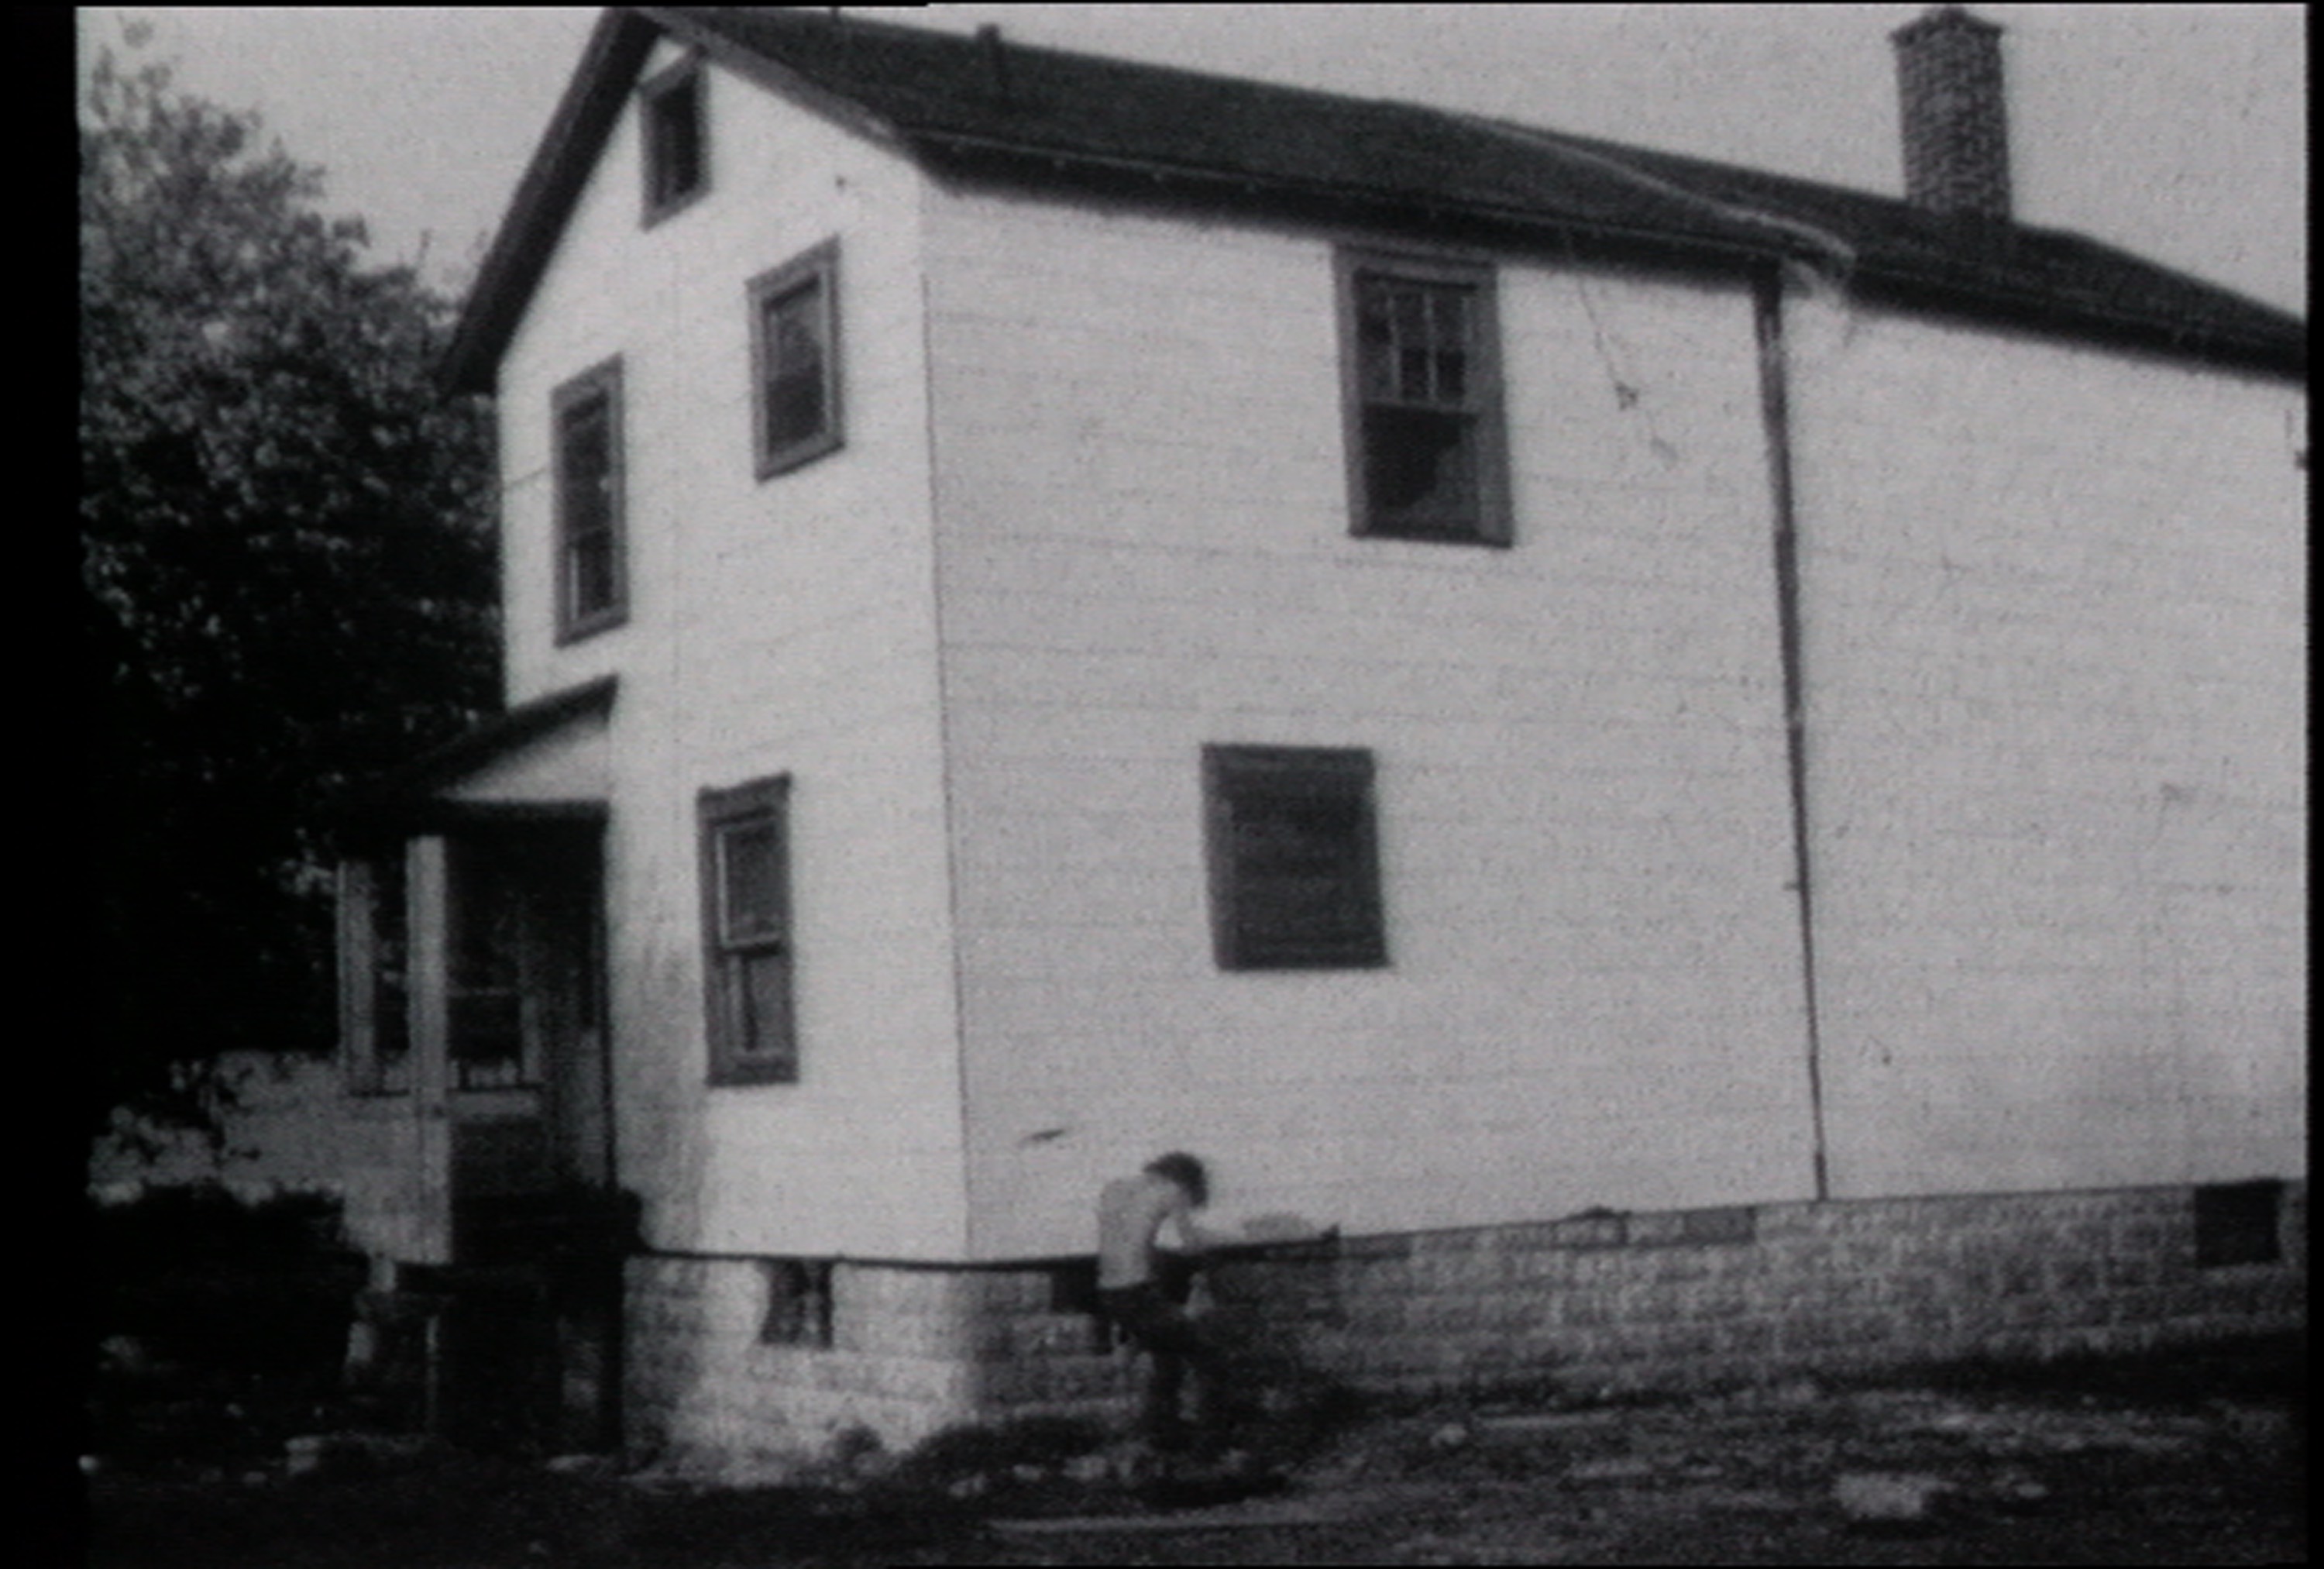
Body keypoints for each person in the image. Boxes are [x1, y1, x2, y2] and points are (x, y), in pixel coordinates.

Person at [1095, 1152, 1239, 1451]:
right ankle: (1212, 1446)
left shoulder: (1114, 1187)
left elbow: (1127, 1239)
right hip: (1138, 1291)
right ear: (1188, 1180)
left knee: (1168, 1359)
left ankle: (1165, 1441)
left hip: (1108, 1291)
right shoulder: (1172, 1192)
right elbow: (1189, 1243)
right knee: (1212, 1361)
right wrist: (1228, 1237)